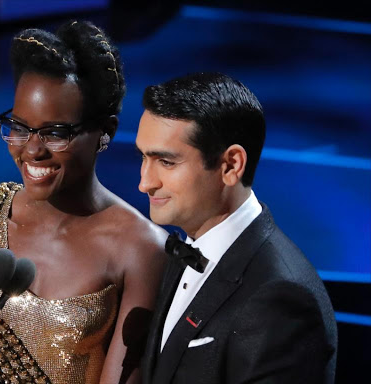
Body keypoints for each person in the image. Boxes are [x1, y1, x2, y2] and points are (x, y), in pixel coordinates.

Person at [0, 20, 167, 384]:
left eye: (55, 133)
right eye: (18, 127)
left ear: (105, 132)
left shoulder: (141, 249)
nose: (32, 150)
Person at [136, 72, 337, 383]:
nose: (145, 183)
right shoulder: (183, 252)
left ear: (231, 165)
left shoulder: (281, 298)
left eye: (166, 162)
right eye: (143, 157)